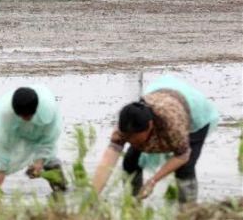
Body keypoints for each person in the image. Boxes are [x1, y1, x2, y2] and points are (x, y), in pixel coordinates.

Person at [91, 75, 219, 203]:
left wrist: (153, 181)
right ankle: (133, 204)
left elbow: (182, 156)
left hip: (194, 113)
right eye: (128, 138)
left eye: (135, 138)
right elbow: (107, 161)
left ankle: (187, 210)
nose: (131, 141)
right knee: (130, 161)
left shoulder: (173, 126)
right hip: (162, 95)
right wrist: (92, 197)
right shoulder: (124, 127)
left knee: (185, 168)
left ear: (150, 126)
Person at [0, 86, 66, 192]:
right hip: (12, 133)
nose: (25, 119)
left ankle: (61, 194)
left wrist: (40, 161)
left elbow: (48, 140)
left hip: (38, 134)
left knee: (51, 162)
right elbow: (1, 143)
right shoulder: (6, 115)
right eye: (22, 116)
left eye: (28, 116)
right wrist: (0, 170)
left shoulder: (48, 112)